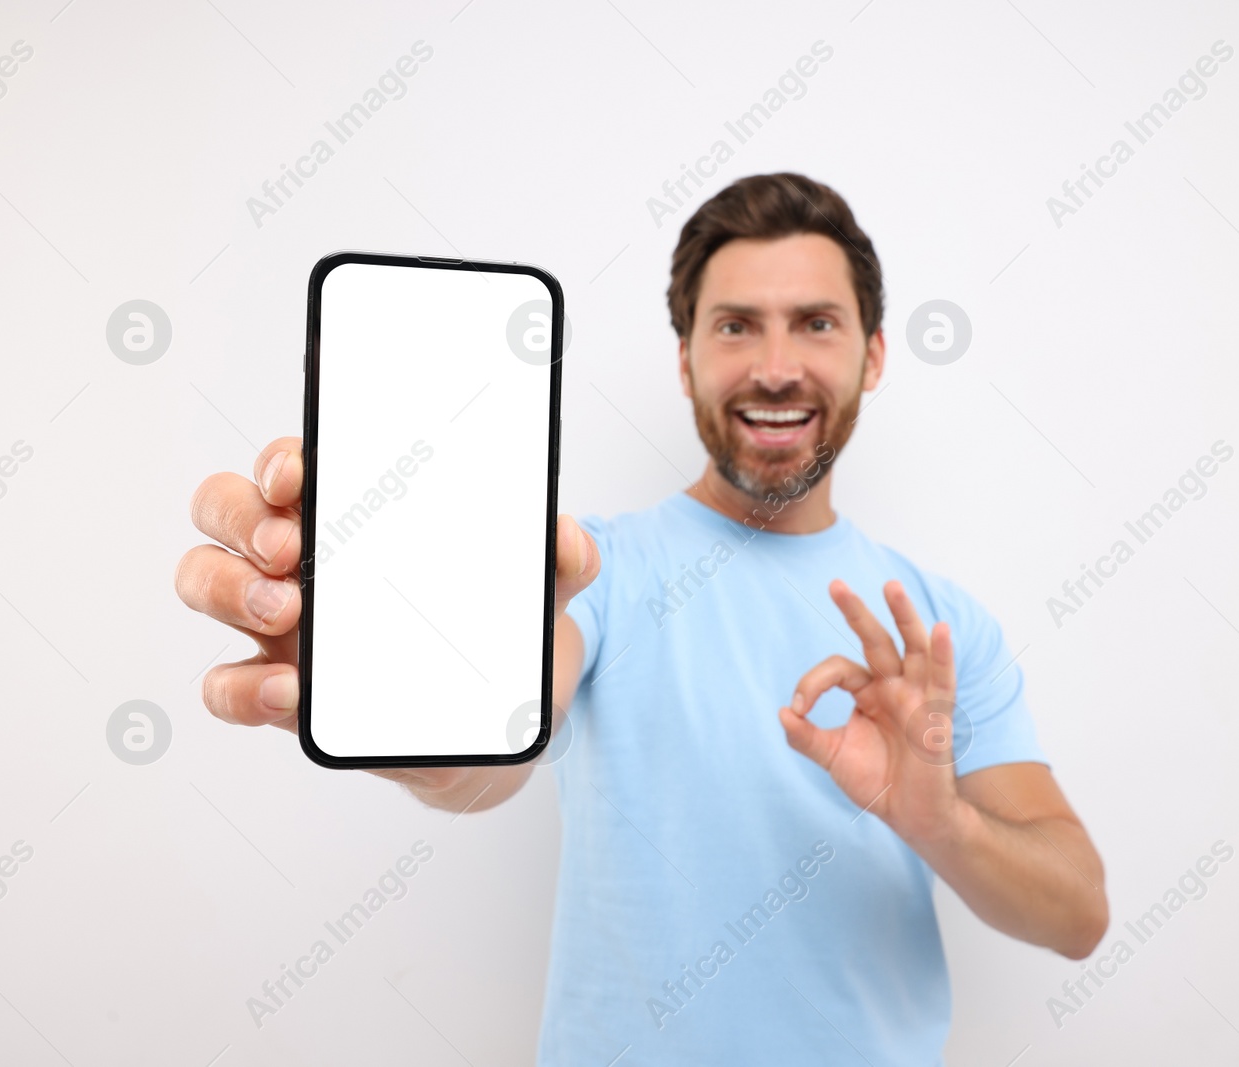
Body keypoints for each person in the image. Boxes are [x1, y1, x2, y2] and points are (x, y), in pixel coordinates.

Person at [176, 172, 1107, 1064]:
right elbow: (475, 768)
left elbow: (1078, 913)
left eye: (816, 324)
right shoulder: (593, 573)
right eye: (736, 326)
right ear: (686, 357)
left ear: (872, 354)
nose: (776, 368)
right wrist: (396, 705)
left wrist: (943, 821)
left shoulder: (936, 632)